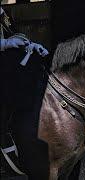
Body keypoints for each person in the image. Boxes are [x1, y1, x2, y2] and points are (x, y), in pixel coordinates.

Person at [1, 6, 49, 177]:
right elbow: (7, 41)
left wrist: (32, 45)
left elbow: (14, 33)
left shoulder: (2, 14)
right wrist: (5, 44)